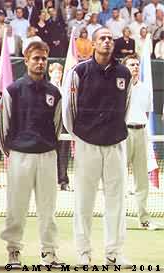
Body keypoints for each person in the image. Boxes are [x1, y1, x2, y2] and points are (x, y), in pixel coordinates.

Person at [62, 27, 133, 267]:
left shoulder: (124, 73)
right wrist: (81, 136)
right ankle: (83, 251)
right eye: (102, 38)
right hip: (87, 144)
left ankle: (114, 253)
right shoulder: (78, 72)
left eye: (109, 38)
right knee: (84, 200)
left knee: (116, 200)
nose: (106, 41)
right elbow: (68, 111)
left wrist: (112, 131)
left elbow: (126, 107)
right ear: (92, 44)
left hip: (115, 145)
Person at [0, 41, 65, 269]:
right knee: (16, 207)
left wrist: (48, 148)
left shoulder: (54, 93)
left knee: (48, 208)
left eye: (44, 59)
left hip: (47, 156)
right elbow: (3, 127)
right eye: (35, 58)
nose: (40, 63)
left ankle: (49, 253)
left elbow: (57, 127)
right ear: (26, 60)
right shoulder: (13, 90)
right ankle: (13, 251)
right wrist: (12, 152)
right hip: (19, 156)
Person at [122, 54, 158, 230]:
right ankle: (118, 218)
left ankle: (144, 219)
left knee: (142, 179)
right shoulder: (119, 88)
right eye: (131, 64)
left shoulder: (146, 89)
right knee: (119, 177)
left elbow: (147, 113)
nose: (135, 67)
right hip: (123, 134)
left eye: (137, 64)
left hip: (142, 133)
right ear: (125, 67)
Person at [48, 62, 70, 191]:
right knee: (51, 154)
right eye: (56, 72)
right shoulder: (47, 88)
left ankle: (63, 181)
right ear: (50, 73)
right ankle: (51, 181)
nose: (58, 75)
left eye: (60, 72)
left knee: (63, 154)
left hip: (64, 126)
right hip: (50, 126)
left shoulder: (64, 89)